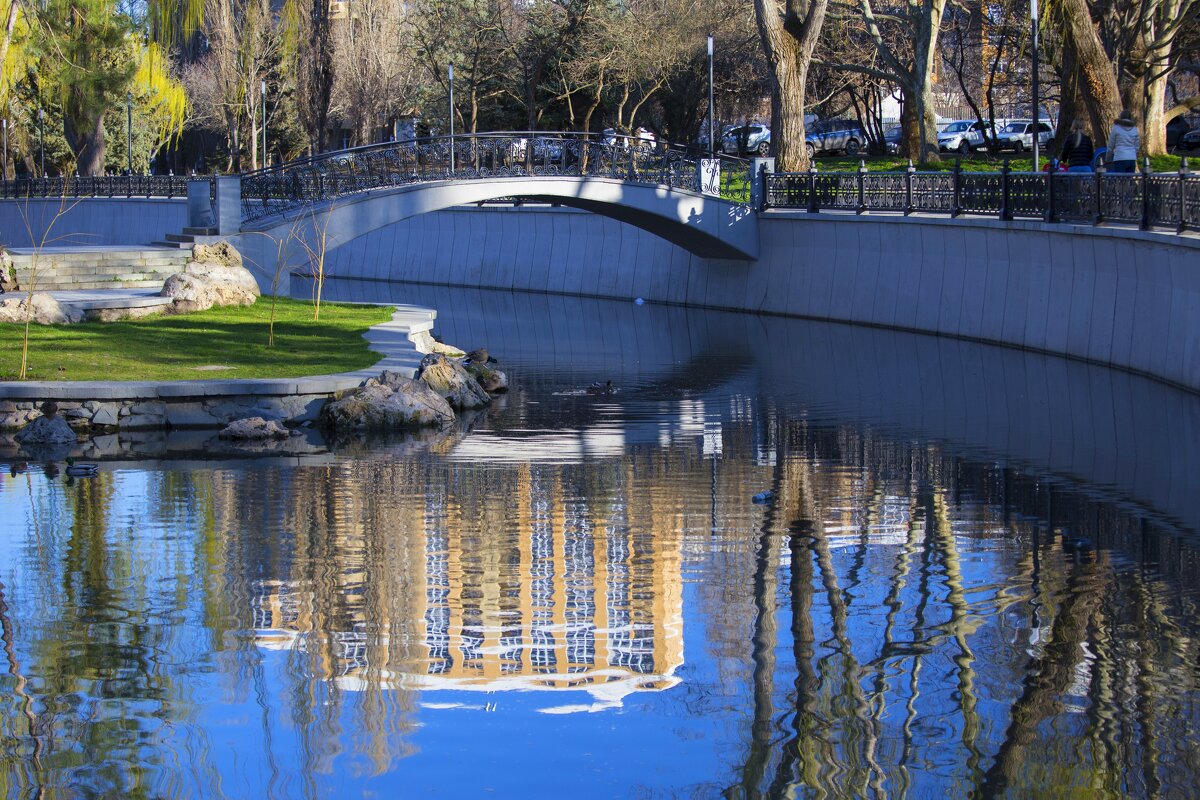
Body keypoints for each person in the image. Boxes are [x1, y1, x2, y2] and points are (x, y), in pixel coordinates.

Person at [1106, 109, 1139, 173]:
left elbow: (1110, 145)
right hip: (1131, 158)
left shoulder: (1116, 128)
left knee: (1120, 180)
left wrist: (1108, 158)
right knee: (1129, 180)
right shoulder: (1134, 129)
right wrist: (1134, 155)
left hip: (1120, 157)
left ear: (1121, 117)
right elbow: (1137, 146)